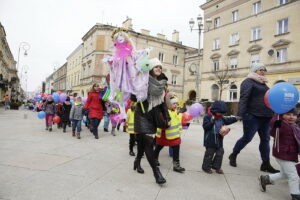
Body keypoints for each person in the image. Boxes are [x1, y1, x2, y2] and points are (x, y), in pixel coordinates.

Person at [229, 63, 279, 173]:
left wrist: (275, 113)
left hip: (266, 116)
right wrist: (241, 114)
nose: (262, 71)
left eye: (264, 70)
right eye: (260, 69)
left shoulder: (264, 84)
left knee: (265, 140)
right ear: (254, 70)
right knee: (247, 138)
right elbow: (244, 97)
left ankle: (265, 163)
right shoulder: (248, 82)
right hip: (252, 115)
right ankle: (233, 154)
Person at [132, 58, 170, 184]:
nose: (158, 69)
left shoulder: (162, 84)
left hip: (153, 117)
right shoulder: (143, 80)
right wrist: (136, 90)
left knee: (143, 144)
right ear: (150, 68)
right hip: (141, 115)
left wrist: (167, 117)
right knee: (148, 143)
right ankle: (156, 173)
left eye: (160, 67)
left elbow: (162, 104)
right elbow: (133, 97)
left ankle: (137, 161)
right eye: (156, 67)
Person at [259, 108, 300, 200]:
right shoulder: (281, 124)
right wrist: (276, 125)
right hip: (283, 154)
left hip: (291, 155)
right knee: (294, 175)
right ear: (282, 115)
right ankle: (295, 195)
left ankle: (266, 179)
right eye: (288, 114)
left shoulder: (295, 126)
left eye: (294, 115)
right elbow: (273, 133)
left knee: (285, 174)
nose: (291, 117)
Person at [202, 101, 238, 174]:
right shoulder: (208, 116)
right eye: (220, 112)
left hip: (219, 139)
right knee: (209, 154)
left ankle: (216, 167)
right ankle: (206, 167)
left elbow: (227, 120)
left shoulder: (221, 117)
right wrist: (212, 121)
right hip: (210, 140)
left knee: (220, 153)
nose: (221, 114)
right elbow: (205, 127)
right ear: (215, 110)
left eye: (222, 113)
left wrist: (235, 118)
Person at [154, 94, 185, 173]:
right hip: (163, 135)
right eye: (173, 104)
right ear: (168, 104)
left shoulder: (176, 111)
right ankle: (154, 159)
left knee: (176, 148)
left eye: (176, 104)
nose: (175, 105)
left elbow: (179, 120)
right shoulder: (164, 112)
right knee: (158, 147)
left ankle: (176, 165)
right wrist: (165, 124)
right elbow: (160, 122)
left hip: (174, 135)